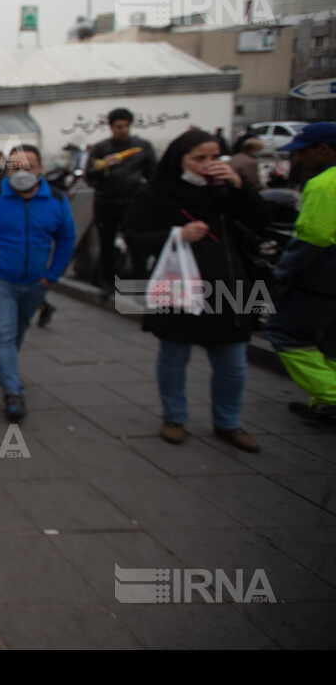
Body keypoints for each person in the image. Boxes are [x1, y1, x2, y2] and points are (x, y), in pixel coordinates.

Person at [123, 129, 270, 452]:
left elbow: (261, 220)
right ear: (180, 160)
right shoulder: (156, 193)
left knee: (233, 360)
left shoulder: (226, 191)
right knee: (175, 355)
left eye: (215, 157)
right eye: (198, 158)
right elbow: (133, 236)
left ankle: (228, 421)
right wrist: (176, 234)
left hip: (229, 280)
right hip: (179, 283)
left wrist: (239, 185)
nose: (208, 164)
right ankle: (174, 416)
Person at [0, 146, 76, 421]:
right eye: (15, 167)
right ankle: (12, 390)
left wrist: (52, 274)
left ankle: (4, 364)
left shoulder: (56, 200)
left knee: (20, 328)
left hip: (36, 281)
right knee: (4, 333)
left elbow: (67, 238)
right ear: (6, 170)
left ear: (40, 169)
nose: (21, 173)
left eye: (28, 167)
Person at [263, 123, 336, 424]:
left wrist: (283, 271)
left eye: (304, 152)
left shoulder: (324, 184)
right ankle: (325, 402)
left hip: (322, 276)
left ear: (324, 149)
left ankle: (331, 394)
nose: (300, 159)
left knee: (283, 331)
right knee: (331, 340)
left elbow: (312, 237)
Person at [86, 108, 157, 293]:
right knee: (106, 244)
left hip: (132, 203)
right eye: (119, 127)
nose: (123, 130)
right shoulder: (101, 148)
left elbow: (152, 175)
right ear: (111, 127)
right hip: (106, 203)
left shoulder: (142, 147)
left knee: (137, 243)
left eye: (126, 126)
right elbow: (90, 176)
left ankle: (141, 283)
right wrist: (103, 166)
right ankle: (107, 283)